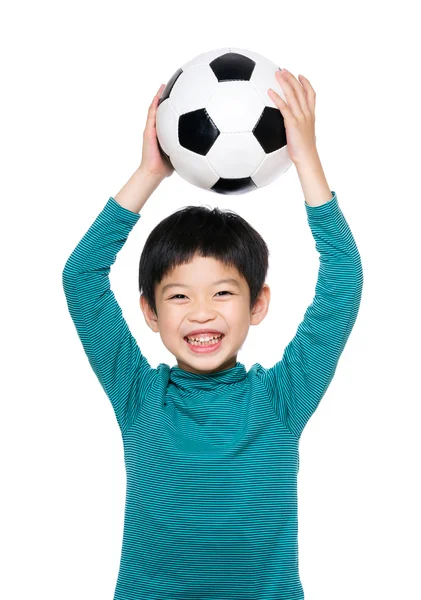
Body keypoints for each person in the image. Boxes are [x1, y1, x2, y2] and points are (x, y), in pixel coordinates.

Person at [62, 70, 363, 599]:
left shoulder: (283, 398)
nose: (201, 313)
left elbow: (344, 278)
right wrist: (148, 172)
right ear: (150, 314)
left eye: (223, 293)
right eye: (179, 296)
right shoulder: (139, 396)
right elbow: (81, 277)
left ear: (258, 304)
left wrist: (306, 160)